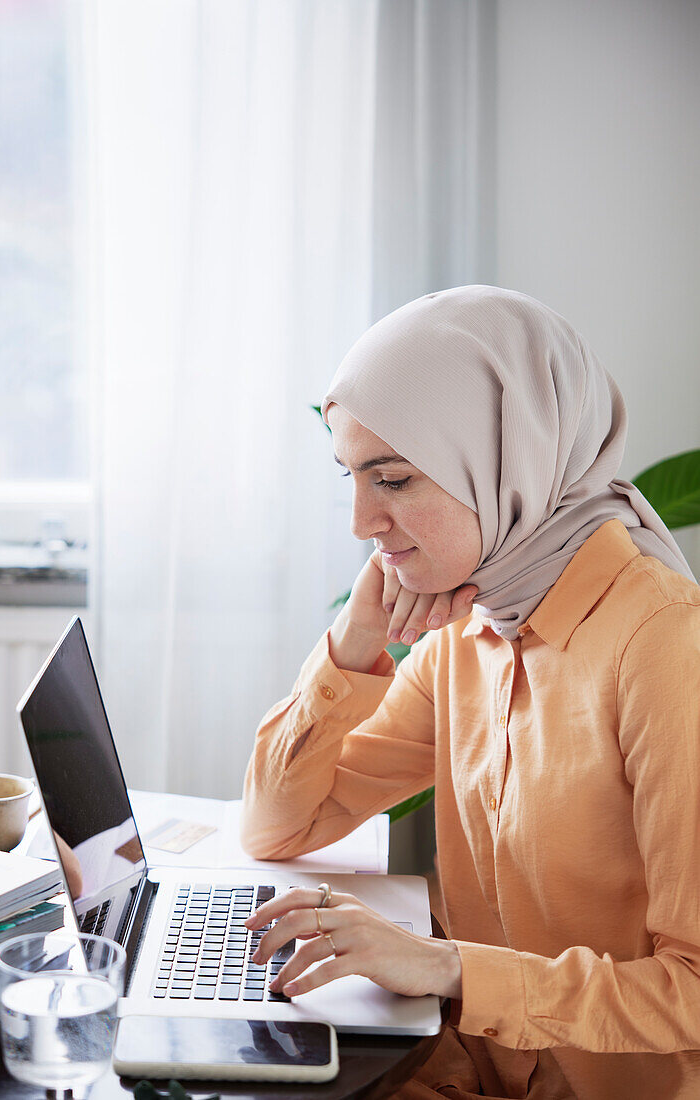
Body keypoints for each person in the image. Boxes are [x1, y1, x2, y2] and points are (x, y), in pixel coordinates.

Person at [240, 286, 700, 1099]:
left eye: (392, 479)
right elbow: (281, 826)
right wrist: (351, 646)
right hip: (464, 1073)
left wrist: (449, 967)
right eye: (351, 476)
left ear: (505, 458)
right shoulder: (471, 623)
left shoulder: (662, 643)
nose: (360, 521)